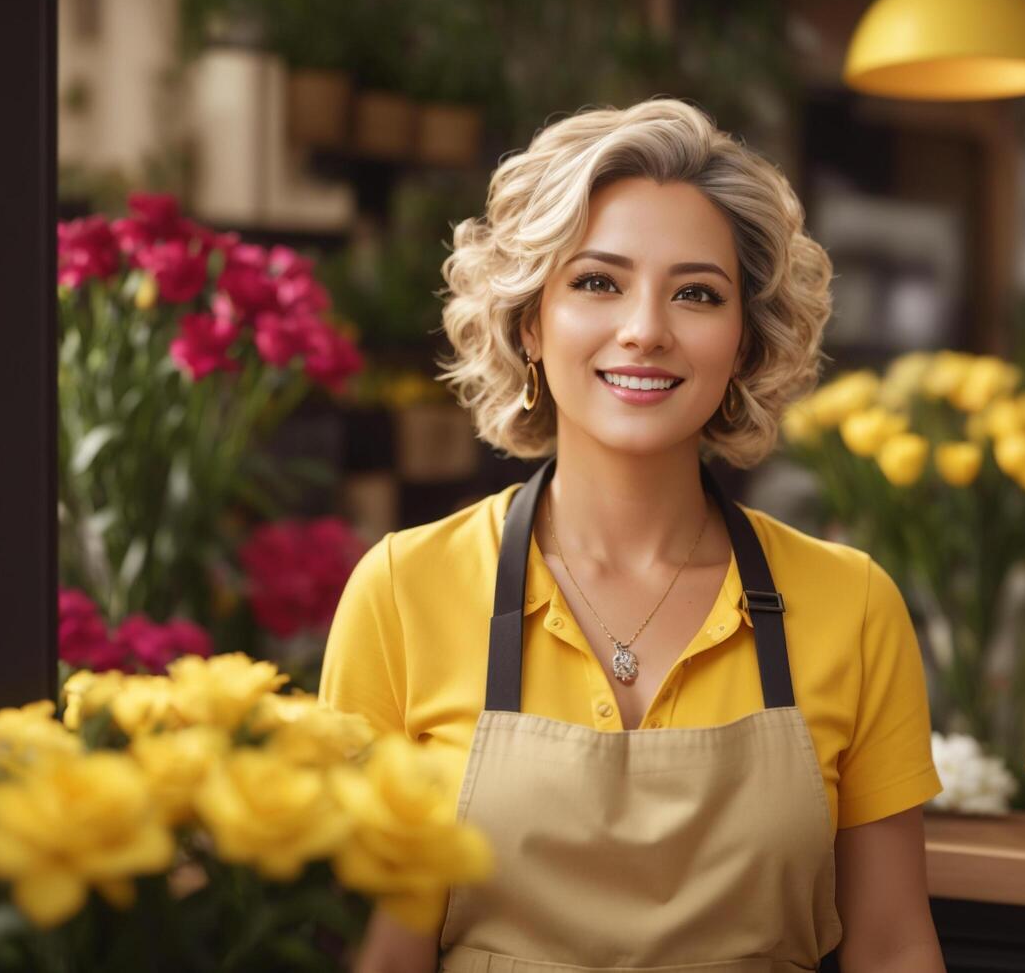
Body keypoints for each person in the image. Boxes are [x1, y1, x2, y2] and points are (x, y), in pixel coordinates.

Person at [321, 98, 946, 973]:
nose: (645, 329)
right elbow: (381, 957)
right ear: (531, 323)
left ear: (744, 340)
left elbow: (890, 948)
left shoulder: (853, 606)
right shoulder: (401, 591)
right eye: (596, 282)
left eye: (696, 293)